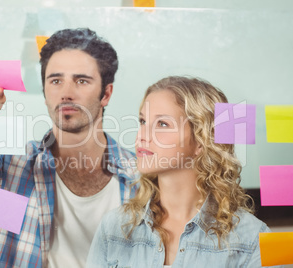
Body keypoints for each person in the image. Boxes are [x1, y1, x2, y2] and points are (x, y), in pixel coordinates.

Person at [0, 28, 138, 268]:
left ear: (106, 94)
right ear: (44, 92)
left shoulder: (139, 177)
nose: (66, 93)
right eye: (55, 80)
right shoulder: (14, 168)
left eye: (81, 80)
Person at [86, 76, 282, 268]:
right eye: (143, 121)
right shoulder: (113, 228)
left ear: (201, 141)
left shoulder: (254, 240)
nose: (142, 136)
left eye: (162, 124)